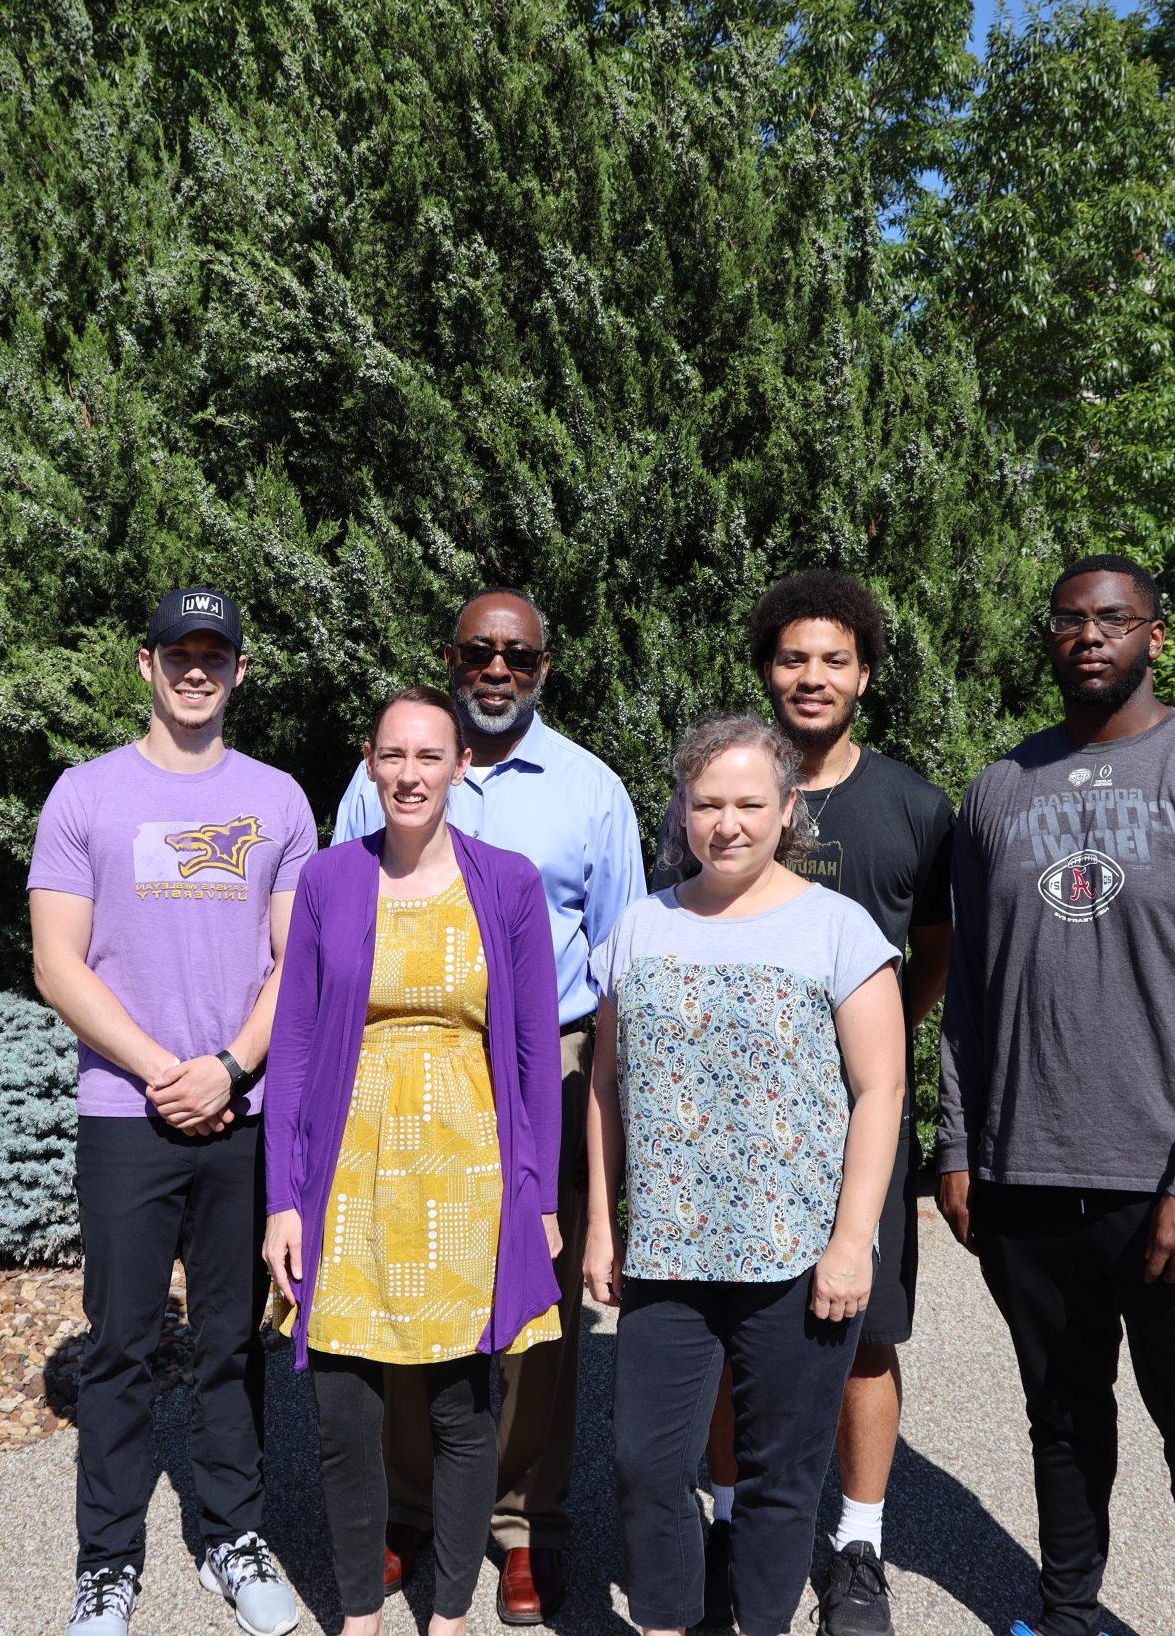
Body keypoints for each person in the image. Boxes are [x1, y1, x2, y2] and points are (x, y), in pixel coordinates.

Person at [934, 555, 1175, 1636]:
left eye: (1114, 619)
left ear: (1154, 636)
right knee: (1060, 1421)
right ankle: (1067, 1613)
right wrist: (959, 1144)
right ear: (1048, 638)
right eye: (1069, 620)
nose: (1090, 636)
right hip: (1026, 1181)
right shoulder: (1000, 788)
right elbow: (973, 992)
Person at [332, 587, 645, 1623]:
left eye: (515, 653)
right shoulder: (381, 777)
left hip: (536, 1063)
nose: (496, 668)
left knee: (526, 1305)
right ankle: (413, 1508)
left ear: (543, 667)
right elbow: (332, 919)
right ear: (454, 660)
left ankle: (523, 1521)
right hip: (391, 1068)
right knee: (397, 1284)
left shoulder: (590, 791)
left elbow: (617, 957)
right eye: (477, 651)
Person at [585, 714, 909, 1636]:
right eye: (708, 803)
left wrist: (851, 1245)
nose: (727, 823)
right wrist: (606, 1228)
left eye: (749, 803)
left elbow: (879, 1089)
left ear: (787, 808)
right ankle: (670, 1622)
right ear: (682, 809)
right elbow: (605, 1084)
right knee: (648, 1465)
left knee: (780, 1473)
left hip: (796, 1256)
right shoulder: (640, 926)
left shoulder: (836, 929)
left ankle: (760, 1621)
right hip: (669, 1254)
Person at [674, 572, 954, 1635]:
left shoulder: (915, 809)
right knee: (715, 1331)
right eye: (793, 658)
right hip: (724, 1131)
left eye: (834, 659)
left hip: (854, 1128)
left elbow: (931, 958)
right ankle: (734, 1519)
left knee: (864, 1338)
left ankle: (857, 1549)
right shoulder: (718, 790)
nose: (811, 676)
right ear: (765, 670)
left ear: (866, 676)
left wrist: (862, 1052)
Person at [28, 589, 311, 1636]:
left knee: (235, 1341)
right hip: (123, 1112)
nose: (197, 670)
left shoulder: (278, 799)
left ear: (240, 671)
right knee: (120, 1344)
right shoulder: (86, 795)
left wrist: (231, 1069)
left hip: (243, 1110)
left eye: (216, 654)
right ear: (145, 665)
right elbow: (57, 964)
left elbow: (296, 961)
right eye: (180, 653)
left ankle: (233, 1539)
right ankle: (105, 1565)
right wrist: (165, 1071)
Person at [262, 686, 567, 1636]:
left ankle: (449, 1611)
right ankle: (358, 1609)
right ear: (368, 762)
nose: (409, 774)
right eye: (392, 756)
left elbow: (532, 1056)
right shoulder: (328, 879)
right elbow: (298, 1046)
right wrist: (284, 1200)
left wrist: (538, 1193)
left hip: (467, 1171)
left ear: (459, 767)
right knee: (344, 1410)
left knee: (461, 1406)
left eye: (429, 757)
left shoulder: (509, 882)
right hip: (347, 1173)